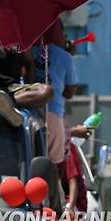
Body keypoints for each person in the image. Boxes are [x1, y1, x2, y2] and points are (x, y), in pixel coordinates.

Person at [33, 20, 78, 165]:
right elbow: (69, 93)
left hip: (29, 110)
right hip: (53, 112)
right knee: (52, 163)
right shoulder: (65, 57)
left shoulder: (28, 51)